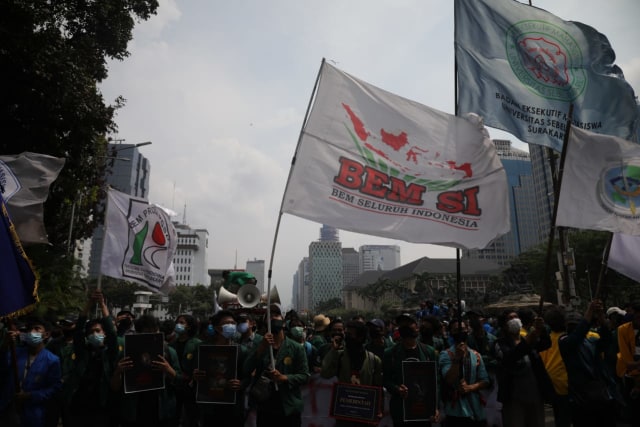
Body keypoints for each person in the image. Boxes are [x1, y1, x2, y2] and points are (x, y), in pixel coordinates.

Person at [243, 304, 310, 427]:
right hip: (265, 408)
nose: (273, 319)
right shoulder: (259, 345)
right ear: (264, 324)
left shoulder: (296, 348)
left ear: (283, 323)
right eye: (269, 317)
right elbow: (246, 369)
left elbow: (304, 376)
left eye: (276, 316)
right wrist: (262, 347)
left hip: (289, 408)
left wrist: (283, 378)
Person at [111, 314, 181, 427]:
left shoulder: (169, 352)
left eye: (155, 333)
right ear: (138, 334)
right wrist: (118, 371)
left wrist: (168, 370)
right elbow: (114, 387)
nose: (152, 337)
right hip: (134, 411)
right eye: (147, 333)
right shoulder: (126, 353)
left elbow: (180, 382)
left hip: (161, 411)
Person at [63, 290, 118, 427]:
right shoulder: (83, 352)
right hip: (78, 406)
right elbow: (79, 329)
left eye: (98, 331)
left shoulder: (109, 354)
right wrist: (89, 303)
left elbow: (112, 333)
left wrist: (102, 304)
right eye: (91, 332)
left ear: (103, 333)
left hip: (101, 407)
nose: (94, 334)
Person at [560, 300, 618, 427]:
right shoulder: (565, 342)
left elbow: (607, 339)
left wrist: (601, 316)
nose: (573, 327)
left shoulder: (591, 341)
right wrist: (590, 311)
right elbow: (577, 336)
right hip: (580, 399)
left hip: (601, 395)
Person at [493, 309, 554, 427]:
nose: (515, 320)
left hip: (535, 394)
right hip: (513, 397)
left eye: (516, 317)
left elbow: (546, 344)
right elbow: (509, 358)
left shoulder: (529, 338)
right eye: (510, 318)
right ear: (504, 325)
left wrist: (542, 329)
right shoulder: (500, 343)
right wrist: (527, 342)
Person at [0, 316, 62, 427]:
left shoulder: (52, 360)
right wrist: (4, 346)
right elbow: (2, 370)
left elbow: (54, 389)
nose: (31, 332)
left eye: (37, 329)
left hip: (33, 414)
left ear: (46, 335)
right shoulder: (15, 353)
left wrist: (30, 396)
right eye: (29, 329)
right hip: (7, 410)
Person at [321, 320, 384, 425]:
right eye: (346, 334)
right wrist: (333, 350)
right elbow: (325, 373)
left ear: (360, 338)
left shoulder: (374, 360)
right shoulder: (340, 356)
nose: (346, 337)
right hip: (344, 416)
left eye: (350, 335)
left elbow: (379, 387)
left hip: (365, 417)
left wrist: (379, 410)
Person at [193, 309, 249, 427]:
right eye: (227, 323)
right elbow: (193, 374)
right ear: (217, 328)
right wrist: (196, 375)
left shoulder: (242, 350)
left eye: (233, 323)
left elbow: (248, 377)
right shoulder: (203, 349)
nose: (231, 326)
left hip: (233, 408)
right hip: (210, 406)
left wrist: (241, 384)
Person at [383, 313, 439, 427]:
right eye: (402, 325)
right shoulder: (390, 353)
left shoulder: (429, 352)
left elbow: (435, 382)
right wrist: (397, 389)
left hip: (423, 411)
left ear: (416, 326)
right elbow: (385, 380)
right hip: (401, 411)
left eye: (408, 324)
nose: (405, 327)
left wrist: (435, 407)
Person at [439, 319, 490, 427]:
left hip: (475, 408)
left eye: (463, 329)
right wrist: (457, 358)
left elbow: (485, 380)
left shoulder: (476, 355)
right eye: (457, 330)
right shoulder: (445, 354)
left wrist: (471, 387)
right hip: (455, 410)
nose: (461, 332)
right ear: (451, 333)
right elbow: (448, 379)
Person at [539, 306, 571, 427]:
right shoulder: (569, 339)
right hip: (567, 383)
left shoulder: (545, 340)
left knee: (560, 417)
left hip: (551, 383)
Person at [169, 314, 201, 427]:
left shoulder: (197, 343)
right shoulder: (172, 344)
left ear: (189, 326)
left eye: (182, 322)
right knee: (174, 415)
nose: (178, 325)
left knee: (191, 416)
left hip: (190, 387)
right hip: (174, 385)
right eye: (177, 322)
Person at [616, 301, 640, 427]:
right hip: (630, 377)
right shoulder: (623, 330)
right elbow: (627, 360)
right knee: (633, 413)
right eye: (638, 317)